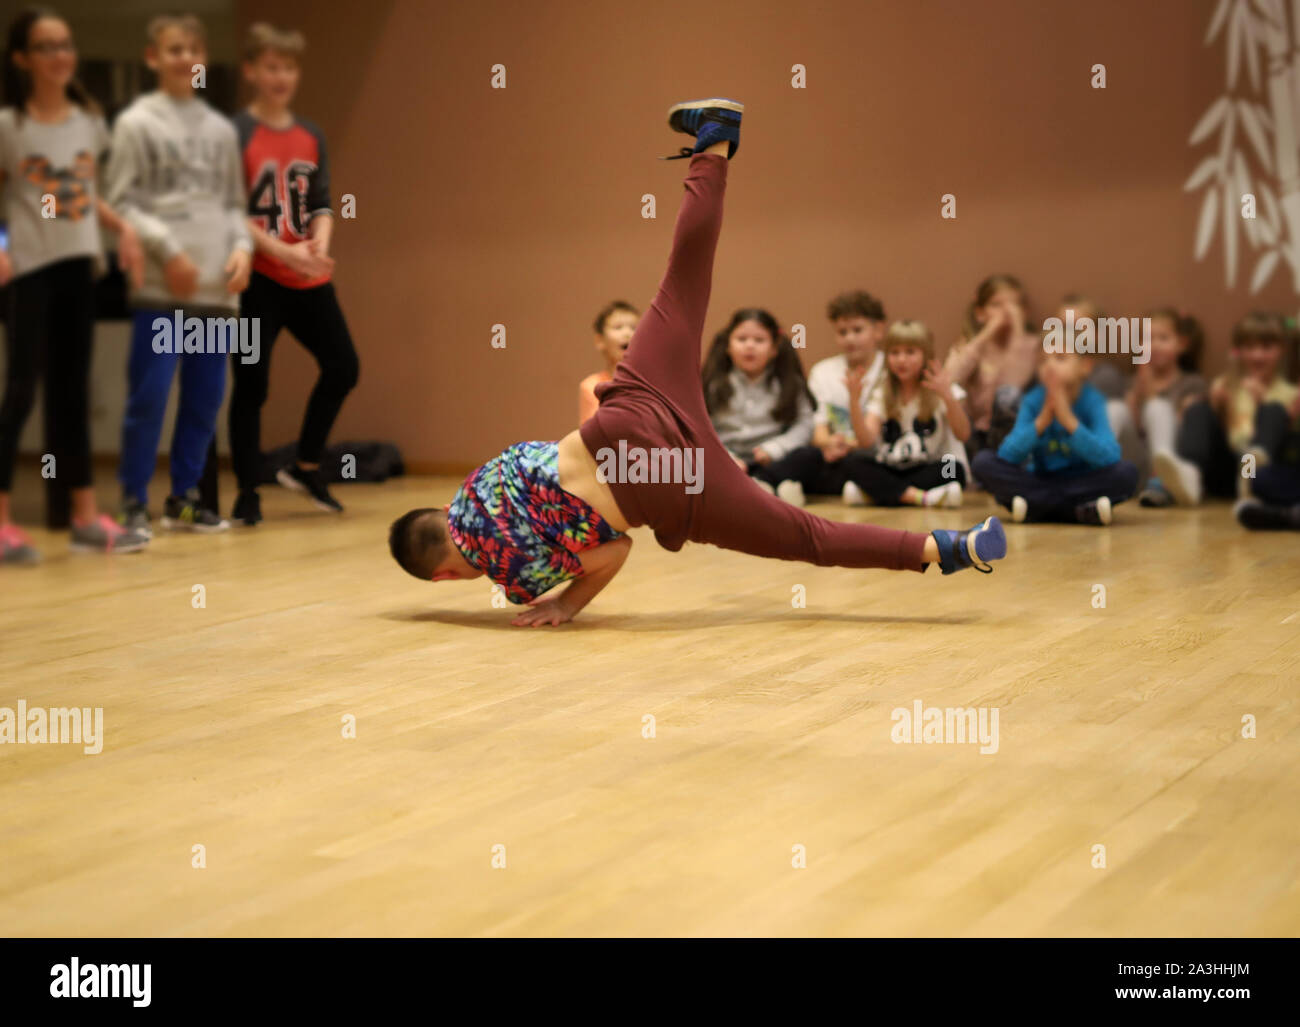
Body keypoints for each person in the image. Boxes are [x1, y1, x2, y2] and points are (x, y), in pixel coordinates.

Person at [389, 99, 1008, 626]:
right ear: (442, 512)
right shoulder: (477, 486)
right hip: (630, 414)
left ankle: (945, 548)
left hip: (676, 486)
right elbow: (536, 451)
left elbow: (615, 552)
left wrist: (568, 605)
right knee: (684, 281)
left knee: (806, 537)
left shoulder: (512, 576)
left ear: (444, 578)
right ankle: (713, 144)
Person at [0, 5, 149, 562]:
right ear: (22, 59)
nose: (61, 55)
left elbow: (84, 198)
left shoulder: (89, 124)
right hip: (31, 272)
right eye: (46, 46)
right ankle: (3, 522)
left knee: (73, 395)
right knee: (20, 393)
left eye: (65, 44)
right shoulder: (10, 127)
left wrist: (123, 228)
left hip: (78, 268)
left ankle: (85, 517)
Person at [106, 12, 251, 535]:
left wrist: (241, 250)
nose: (185, 58)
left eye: (193, 49)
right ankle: (131, 500)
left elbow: (235, 205)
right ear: (152, 57)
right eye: (173, 49)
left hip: (215, 294)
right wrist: (169, 252)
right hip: (164, 291)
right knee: (149, 397)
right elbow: (122, 203)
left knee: (205, 398)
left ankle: (184, 498)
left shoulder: (219, 130)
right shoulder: (137, 123)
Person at [221, 22, 359, 525]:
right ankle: (246, 490)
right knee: (252, 386)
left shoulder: (310, 135)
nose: (282, 77)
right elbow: (227, 209)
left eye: (290, 67)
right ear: (252, 71)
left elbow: (320, 202)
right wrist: (281, 250)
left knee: (344, 366)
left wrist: (319, 243)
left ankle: (304, 464)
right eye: (272, 67)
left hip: (308, 280)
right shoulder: (235, 133)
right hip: (257, 281)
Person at [972, 345, 1139, 525]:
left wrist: (1069, 422)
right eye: (1043, 361)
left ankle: (1036, 508)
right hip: (1040, 480)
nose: (1049, 366)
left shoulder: (1092, 400)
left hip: (1081, 482)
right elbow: (1007, 454)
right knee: (983, 462)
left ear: (1085, 366)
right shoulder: (1033, 400)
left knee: (1126, 472)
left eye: (1060, 358)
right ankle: (1080, 511)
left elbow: (1110, 456)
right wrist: (1041, 421)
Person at [702, 306, 814, 506]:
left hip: (770, 460)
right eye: (742, 339)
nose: (750, 346)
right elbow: (700, 427)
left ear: (774, 348)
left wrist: (775, 448)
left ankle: (761, 485)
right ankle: (764, 490)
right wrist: (727, 457)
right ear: (728, 346)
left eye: (759, 340)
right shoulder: (713, 383)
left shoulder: (788, 382)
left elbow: (804, 424)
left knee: (810, 456)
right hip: (727, 458)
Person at [851, 319, 969, 507]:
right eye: (894, 353)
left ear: (926, 354)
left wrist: (948, 397)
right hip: (891, 467)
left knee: (954, 469)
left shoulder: (942, 387)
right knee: (853, 463)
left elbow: (963, 434)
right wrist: (854, 402)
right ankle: (922, 497)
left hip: (929, 467)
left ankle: (877, 494)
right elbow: (866, 441)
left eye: (910, 352)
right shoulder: (882, 390)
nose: (901, 360)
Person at [578, 300, 637, 426]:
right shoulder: (591, 386)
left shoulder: (649, 384)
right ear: (600, 340)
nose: (627, 334)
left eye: (634, 328)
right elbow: (591, 433)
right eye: (618, 327)